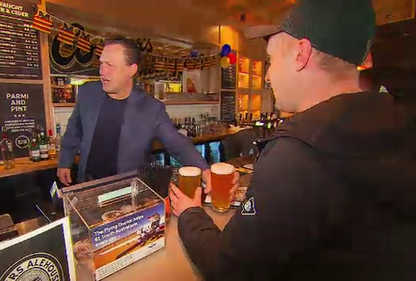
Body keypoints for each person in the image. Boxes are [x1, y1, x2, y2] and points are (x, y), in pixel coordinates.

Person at [169, 0, 416, 280]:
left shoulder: (300, 151)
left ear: (301, 53)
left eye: (272, 60)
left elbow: (228, 267)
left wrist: (191, 213)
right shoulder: (398, 116)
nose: (268, 74)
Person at [57, 37, 209, 185]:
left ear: (131, 70)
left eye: (110, 65)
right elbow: (74, 131)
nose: (102, 71)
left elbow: (177, 143)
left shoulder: (151, 108)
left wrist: (204, 169)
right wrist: (65, 162)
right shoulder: (87, 93)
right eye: (102, 63)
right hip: (88, 184)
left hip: (128, 191)